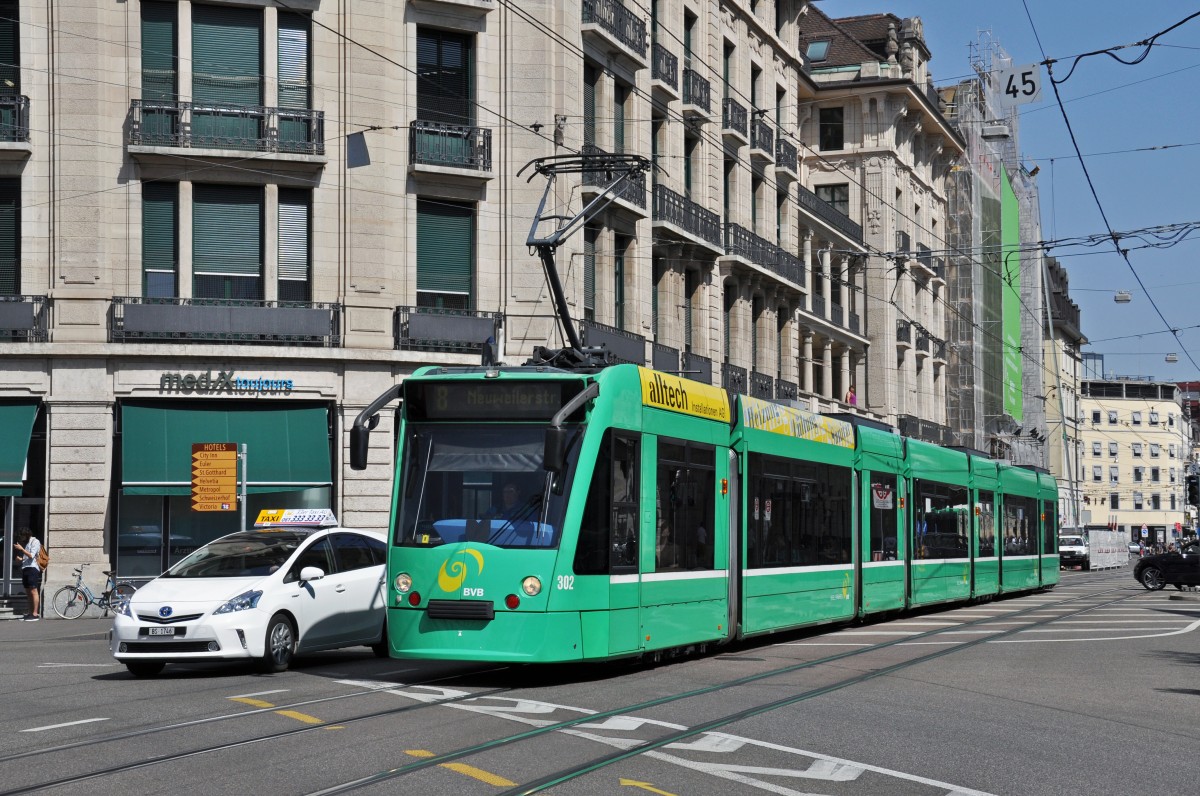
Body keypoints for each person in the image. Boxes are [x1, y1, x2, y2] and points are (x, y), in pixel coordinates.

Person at [12, 528, 42, 621]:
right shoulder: (27, 543)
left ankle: (35, 614)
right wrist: (20, 559)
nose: (21, 538)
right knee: (28, 592)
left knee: (33, 591)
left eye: (22, 536)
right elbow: (27, 558)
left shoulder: (35, 541)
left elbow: (31, 555)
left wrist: (21, 549)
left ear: (27, 535)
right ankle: (30, 613)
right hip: (25, 568)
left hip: (32, 569)